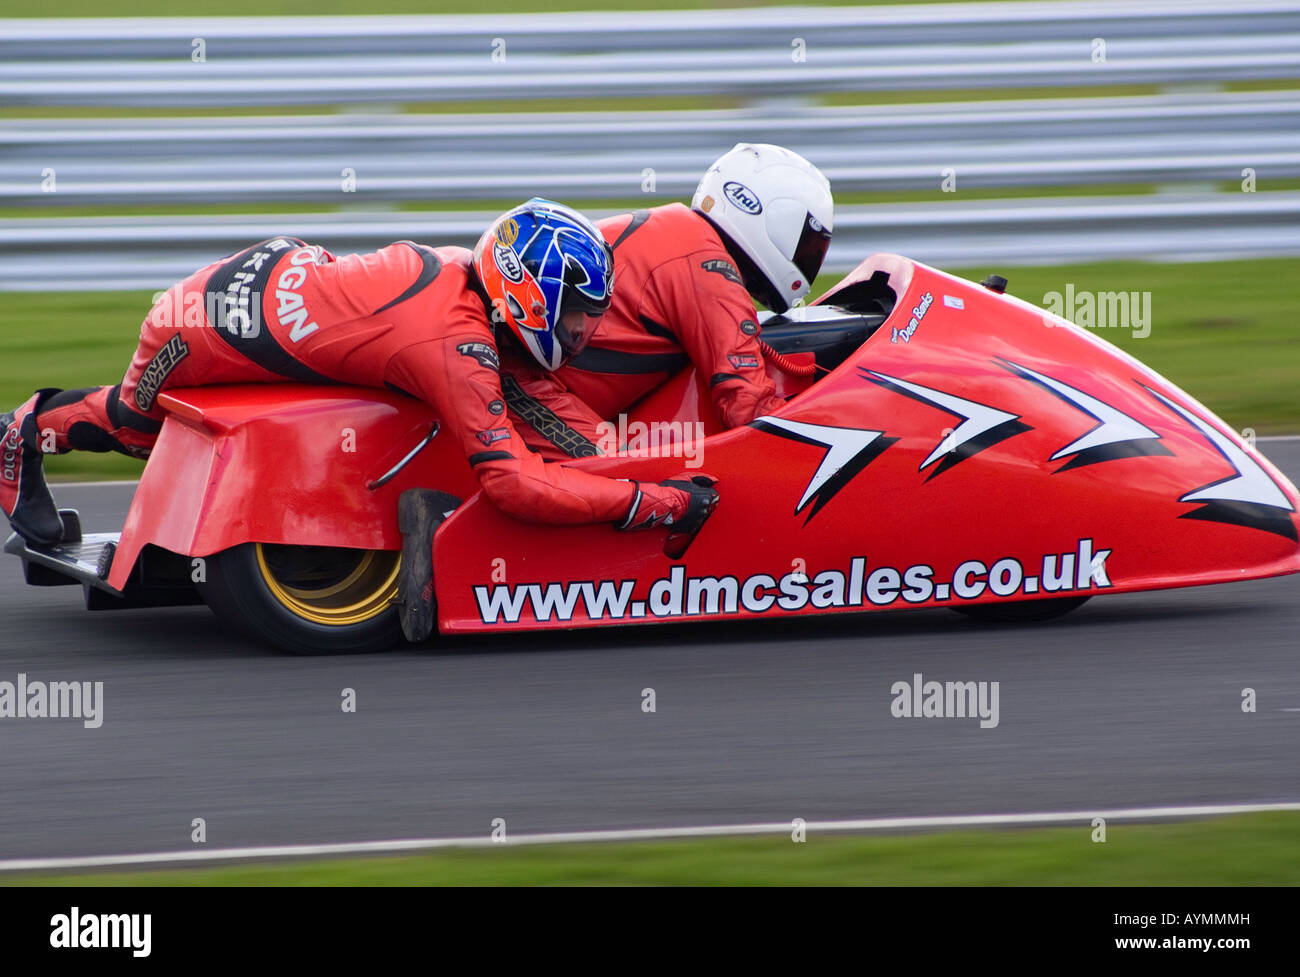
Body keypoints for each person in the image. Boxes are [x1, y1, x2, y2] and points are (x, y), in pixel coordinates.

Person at [0, 199, 718, 639]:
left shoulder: (471, 296)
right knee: (135, 428)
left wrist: (641, 462)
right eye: (577, 314)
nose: (588, 331)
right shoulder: (456, 341)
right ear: (528, 295)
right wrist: (648, 501)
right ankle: (21, 430)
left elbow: (553, 415)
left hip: (281, 274)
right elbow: (511, 486)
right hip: (203, 318)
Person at [536, 143, 833, 447]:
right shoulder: (709, 267)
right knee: (630, 479)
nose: (810, 256)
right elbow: (748, 406)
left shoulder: (681, 234)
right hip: (531, 390)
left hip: (534, 387)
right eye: (808, 245)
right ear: (775, 217)